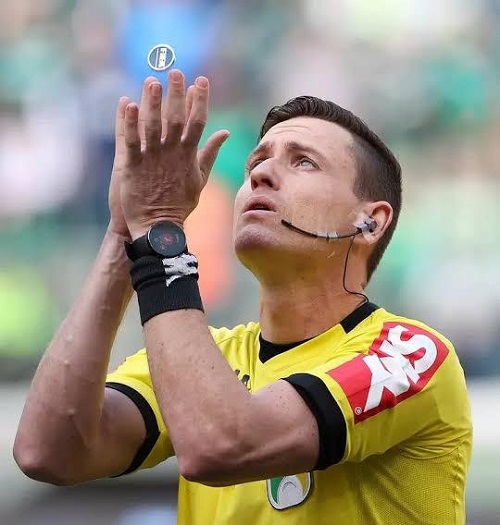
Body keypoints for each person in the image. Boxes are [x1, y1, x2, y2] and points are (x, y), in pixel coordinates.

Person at [13, 70, 472, 525]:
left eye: (303, 162)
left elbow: (222, 445)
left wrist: (159, 229)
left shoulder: (409, 354)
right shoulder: (203, 358)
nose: (261, 174)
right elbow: (47, 452)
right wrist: (124, 231)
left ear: (370, 222)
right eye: (256, 164)